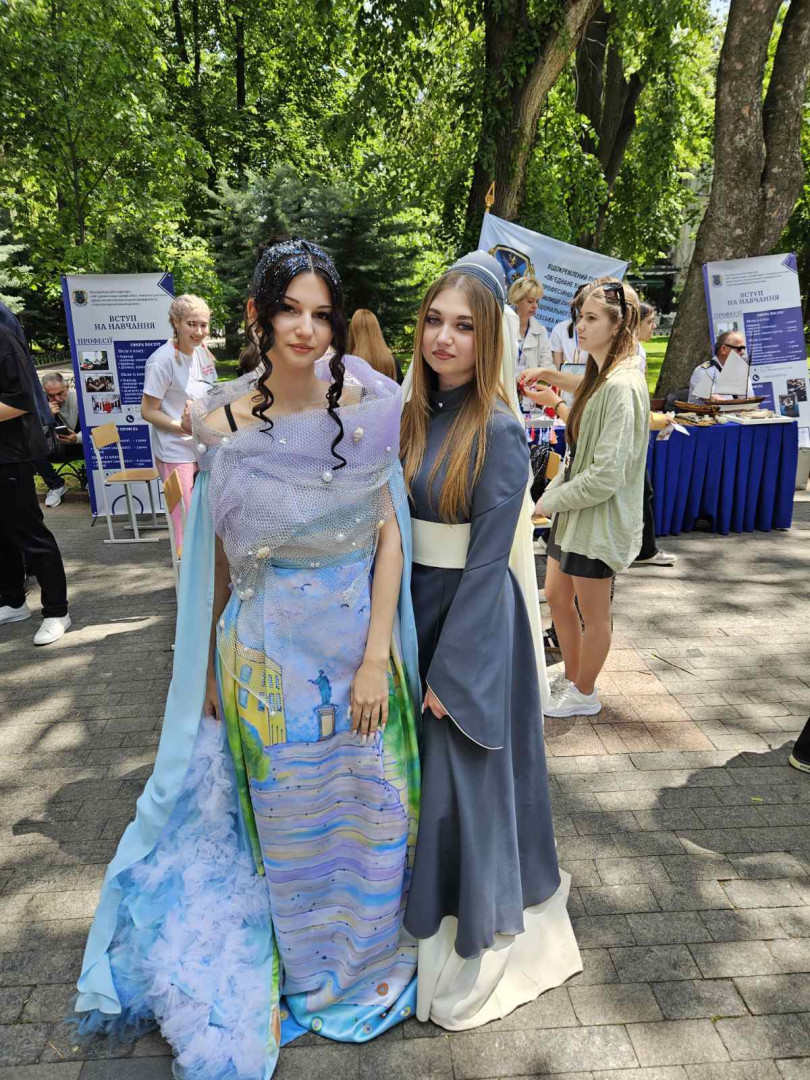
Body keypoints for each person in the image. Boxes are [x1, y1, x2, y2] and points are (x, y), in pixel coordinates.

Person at [74, 240, 422, 1077]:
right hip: (265, 660)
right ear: (258, 315)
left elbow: (389, 537)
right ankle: (301, 974)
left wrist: (377, 657)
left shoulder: (371, 402)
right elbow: (217, 565)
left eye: (321, 313)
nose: (306, 329)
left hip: (356, 651)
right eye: (289, 310)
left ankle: (367, 965)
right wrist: (203, 671)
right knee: (290, 827)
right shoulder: (218, 422)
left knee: (375, 812)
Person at [400, 256, 581, 1030]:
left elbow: (487, 564)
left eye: (464, 327)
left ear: (489, 341)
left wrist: (452, 670)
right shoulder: (412, 416)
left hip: (470, 627)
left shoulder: (500, 429)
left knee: (460, 785)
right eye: (434, 321)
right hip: (414, 609)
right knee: (423, 782)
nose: (444, 338)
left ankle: (469, 932)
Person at [535, 278, 650, 719]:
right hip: (575, 514)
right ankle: (573, 677)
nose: (579, 327)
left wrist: (550, 501)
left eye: (591, 318)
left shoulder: (622, 385)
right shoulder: (601, 377)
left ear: (618, 325)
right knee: (556, 595)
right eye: (579, 317)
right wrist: (554, 495)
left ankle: (584, 691)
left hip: (596, 519)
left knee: (593, 611)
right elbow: (582, 446)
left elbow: (606, 476)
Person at [0, 321, 71, 646]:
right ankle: (14, 601)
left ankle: (57, 611)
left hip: (10, 454)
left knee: (30, 533)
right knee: (3, 536)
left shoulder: (3, 337)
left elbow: (21, 399)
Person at [141, 294, 218, 550]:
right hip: (175, 451)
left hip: (203, 448)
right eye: (191, 324)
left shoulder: (203, 353)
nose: (199, 332)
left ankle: (207, 571)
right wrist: (182, 426)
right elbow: (148, 411)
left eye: (203, 325)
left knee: (208, 520)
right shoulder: (161, 360)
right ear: (176, 322)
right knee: (185, 524)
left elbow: (211, 395)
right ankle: (187, 573)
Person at [33, 372, 84, 507]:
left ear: (67, 387)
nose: (57, 398)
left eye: (60, 393)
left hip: (80, 446)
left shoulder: (78, 399)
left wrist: (77, 438)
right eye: (51, 395)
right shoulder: (40, 404)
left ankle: (92, 480)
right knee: (31, 447)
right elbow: (33, 435)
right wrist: (46, 416)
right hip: (54, 448)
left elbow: (94, 430)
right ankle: (56, 486)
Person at [688, 329, 748, 403]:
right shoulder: (703, 372)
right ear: (723, 349)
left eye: (744, 349)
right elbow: (715, 401)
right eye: (739, 349)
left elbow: (750, 400)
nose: (743, 353)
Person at [508, 275, 552, 376]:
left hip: (530, 385)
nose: (535, 306)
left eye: (537, 301)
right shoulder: (502, 325)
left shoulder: (541, 331)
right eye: (530, 301)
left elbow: (547, 365)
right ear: (517, 300)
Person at [348, 308, 403, 383]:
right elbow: (402, 388)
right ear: (377, 330)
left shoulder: (348, 364)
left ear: (353, 332)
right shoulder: (392, 361)